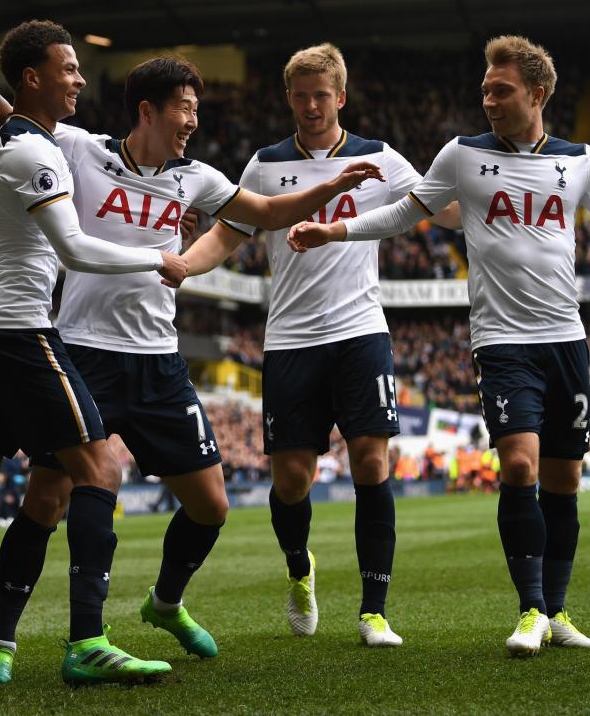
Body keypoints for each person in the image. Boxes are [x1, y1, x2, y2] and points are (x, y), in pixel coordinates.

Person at [0, 56, 384, 681]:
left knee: (211, 505)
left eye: (197, 110)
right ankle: (1, 644)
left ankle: (166, 602)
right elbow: (22, 121)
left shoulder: (197, 177)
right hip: (85, 351)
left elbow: (260, 212)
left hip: (159, 362)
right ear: (147, 110)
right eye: (185, 108)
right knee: (47, 498)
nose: (193, 121)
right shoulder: (78, 148)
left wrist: (330, 190)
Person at [287, 35, 590, 656]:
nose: (487, 100)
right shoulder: (462, 155)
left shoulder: (581, 160)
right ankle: (529, 608)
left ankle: (556, 612)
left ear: (537, 93)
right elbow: (404, 213)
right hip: (501, 341)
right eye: (484, 89)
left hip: (567, 339)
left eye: (500, 90)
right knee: (521, 465)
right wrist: (335, 230)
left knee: (563, 481)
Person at [0, 20, 189, 686]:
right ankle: (87, 641)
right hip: (15, 330)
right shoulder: (35, 153)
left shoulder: (27, 141)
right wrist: (157, 258)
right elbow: (76, 249)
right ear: (34, 77)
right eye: (69, 67)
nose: (80, 78)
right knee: (99, 465)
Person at [181, 43, 459, 646]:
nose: (311, 105)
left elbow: (442, 209)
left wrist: (505, 207)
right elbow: (228, 235)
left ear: (341, 96)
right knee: (292, 482)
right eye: (300, 95)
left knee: (371, 462)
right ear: (289, 98)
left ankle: (374, 611)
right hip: (291, 339)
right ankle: (299, 568)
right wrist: (183, 264)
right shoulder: (264, 166)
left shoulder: (379, 157)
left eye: (321, 95)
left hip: (361, 331)